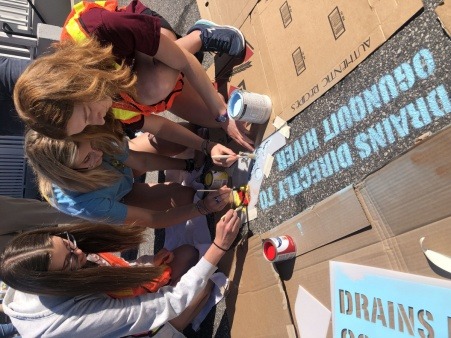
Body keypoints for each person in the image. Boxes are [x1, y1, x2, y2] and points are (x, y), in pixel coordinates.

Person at [14, 0, 254, 151]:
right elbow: (158, 126)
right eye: (86, 123)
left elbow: (182, 61)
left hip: (146, 48)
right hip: (138, 79)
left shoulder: (99, 28)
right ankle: (179, 78)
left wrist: (222, 114)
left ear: (79, 85)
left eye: (88, 114)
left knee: (156, 89)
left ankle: (200, 35)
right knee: (216, 121)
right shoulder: (90, 111)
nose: (98, 121)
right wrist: (207, 145)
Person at [0, 210, 240, 337]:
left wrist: (146, 265)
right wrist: (219, 247)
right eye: (70, 258)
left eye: (68, 242)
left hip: (117, 302)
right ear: (57, 283)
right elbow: (165, 304)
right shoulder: (70, 322)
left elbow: (112, 271)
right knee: (205, 286)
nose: (80, 250)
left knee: (186, 254)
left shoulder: (33, 270)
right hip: (130, 329)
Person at [25, 129, 232, 227]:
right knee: (186, 199)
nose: (97, 154)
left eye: (93, 146)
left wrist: (189, 165)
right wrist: (202, 208)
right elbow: (153, 219)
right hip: (118, 197)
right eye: (87, 158)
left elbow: (144, 163)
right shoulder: (83, 202)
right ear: (68, 172)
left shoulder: (92, 141)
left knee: (172, 138)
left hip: (118, 171)